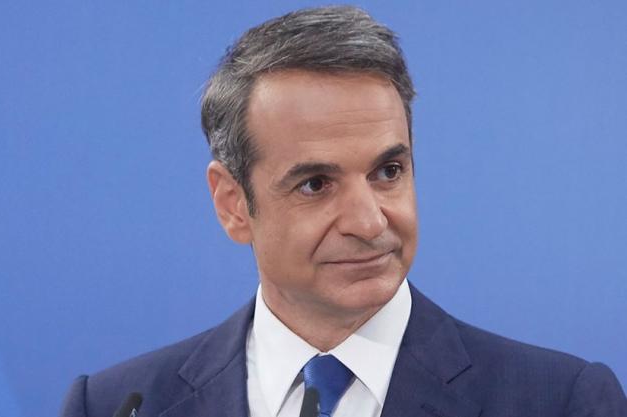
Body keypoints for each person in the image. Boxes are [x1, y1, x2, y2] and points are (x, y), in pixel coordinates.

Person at [60, 6, 626, 417]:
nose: (370, 222)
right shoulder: (117, 405)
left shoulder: (560, 401)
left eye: (388, 172)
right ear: (233, 205)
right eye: (315, 184)